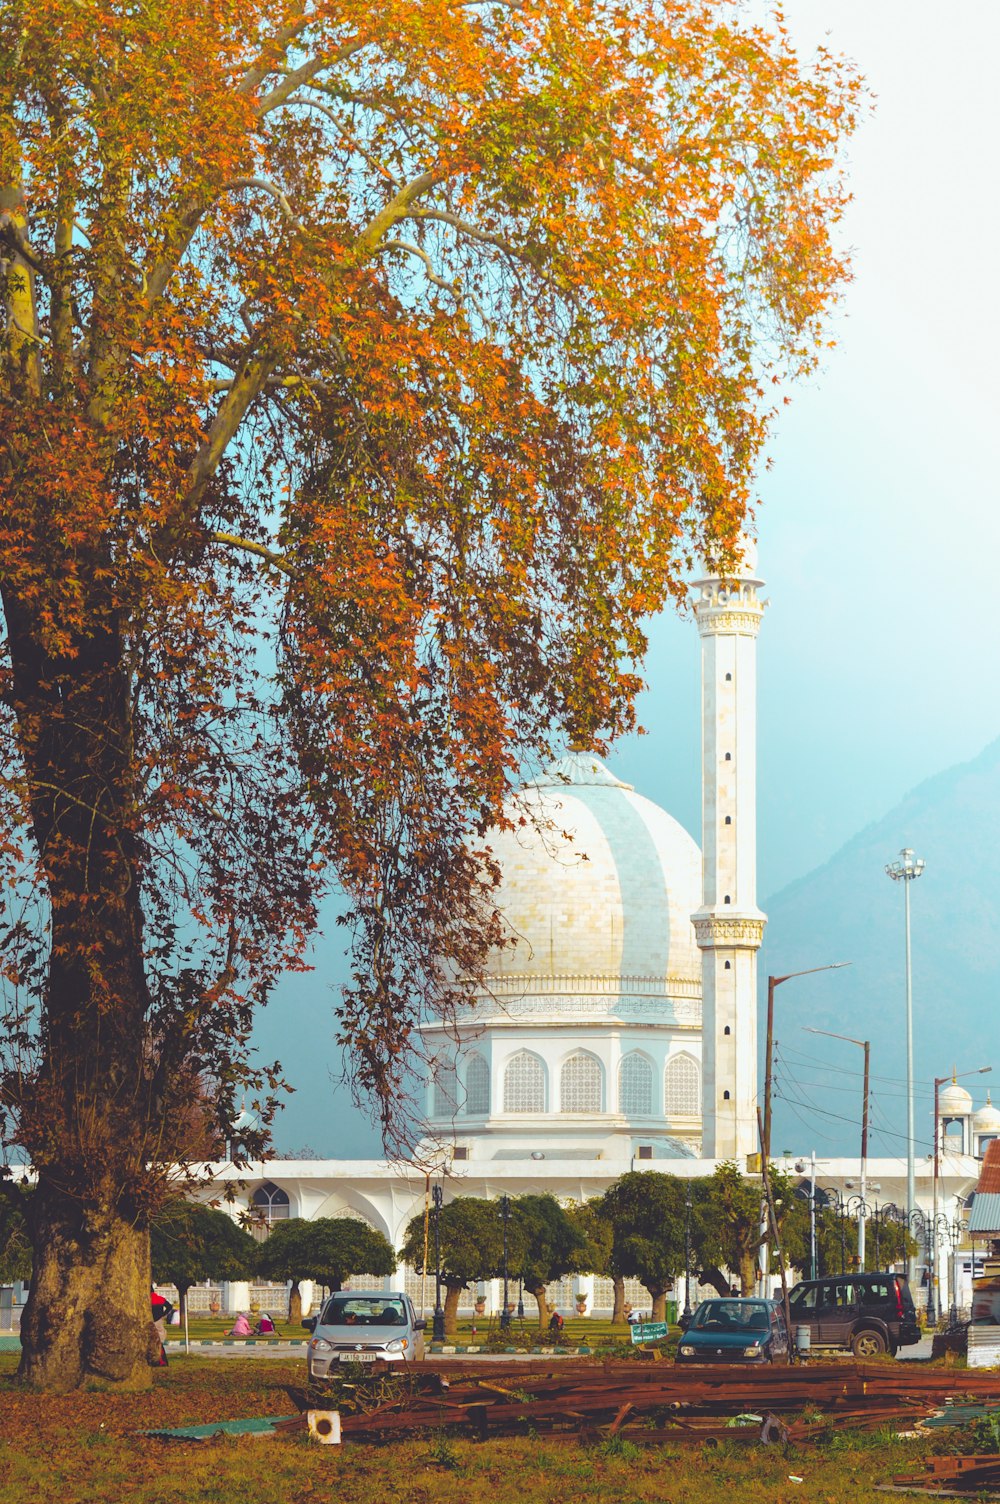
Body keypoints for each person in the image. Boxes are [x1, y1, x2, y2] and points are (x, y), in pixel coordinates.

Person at [150, 1287, 172, 1367]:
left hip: (150, 1322)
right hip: (159, 1321)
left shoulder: (146, 1300)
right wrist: (163, 1314)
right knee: (160, 1341)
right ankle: (162, 1361)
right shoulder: (160, 1299)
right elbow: (169, 1306)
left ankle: (158, 1361)